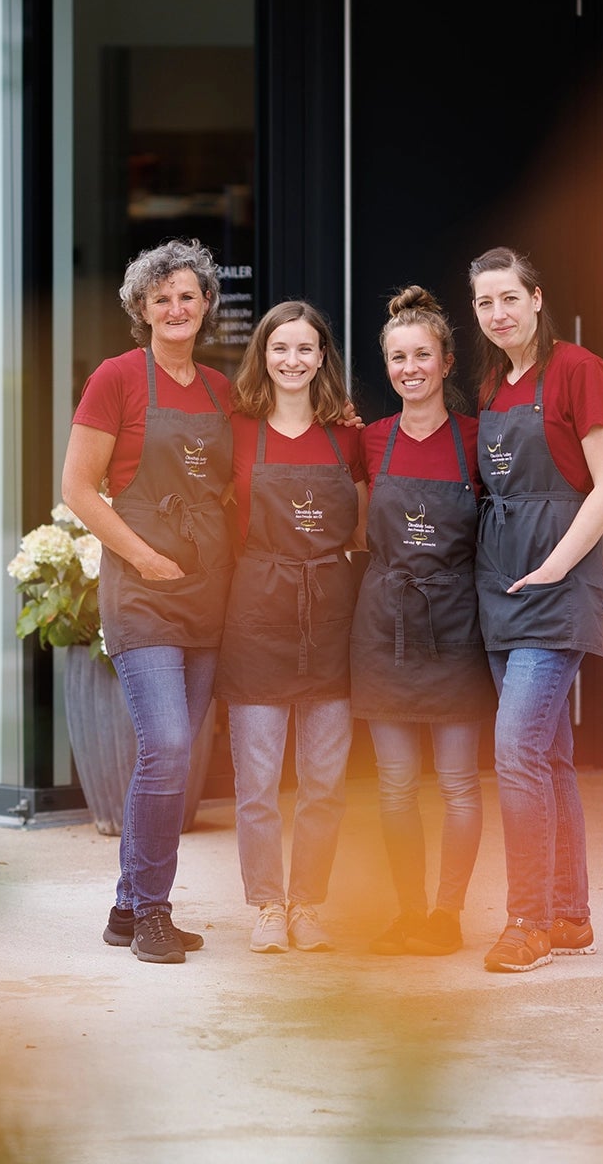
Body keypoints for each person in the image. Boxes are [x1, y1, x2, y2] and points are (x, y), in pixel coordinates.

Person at [61, 239, 234, 965]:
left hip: (207, 593)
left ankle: (128, 908)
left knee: (174, 755)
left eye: (187, 295)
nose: (175, 307)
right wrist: (144, 557)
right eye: (161, 297)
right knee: (165, 745)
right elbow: (75, 489)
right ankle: (154, 909)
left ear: (205, 306)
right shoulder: (117, 379)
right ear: (141, 307)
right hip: (142, 593)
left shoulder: (223, 392)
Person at [469, 247, 603, 974]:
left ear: (536, 298)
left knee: (517, 753)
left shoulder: (577, 370)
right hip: (502, 589)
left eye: (509, 298)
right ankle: (570, 915)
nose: (497, 313)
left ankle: (527, 920)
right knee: (550, 756)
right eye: (484, 303)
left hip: (555, 587)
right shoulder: (494, 387)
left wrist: (559, 566)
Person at [216, 300, 367, 954]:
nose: (293, 360)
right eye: (281, 348)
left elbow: (362, 525)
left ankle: (308, 904)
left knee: (325, 782)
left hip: (330, 617)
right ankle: (267, 907)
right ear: (264, 355)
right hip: (257, 613)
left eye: (306, 348)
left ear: (322, 358)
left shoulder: (349, 436)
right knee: (256, 784)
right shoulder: (237, 431)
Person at [352, 286, 493, 959]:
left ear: (446, 361)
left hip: (457, 625)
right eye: (398, 357)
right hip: (385, 627)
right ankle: (408, 913)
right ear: (389, 366)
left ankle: (448, 914)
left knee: (460, 783)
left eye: (422, 356)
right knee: (396, 785)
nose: (410, 368)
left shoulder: (477, 439)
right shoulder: (368, 442)